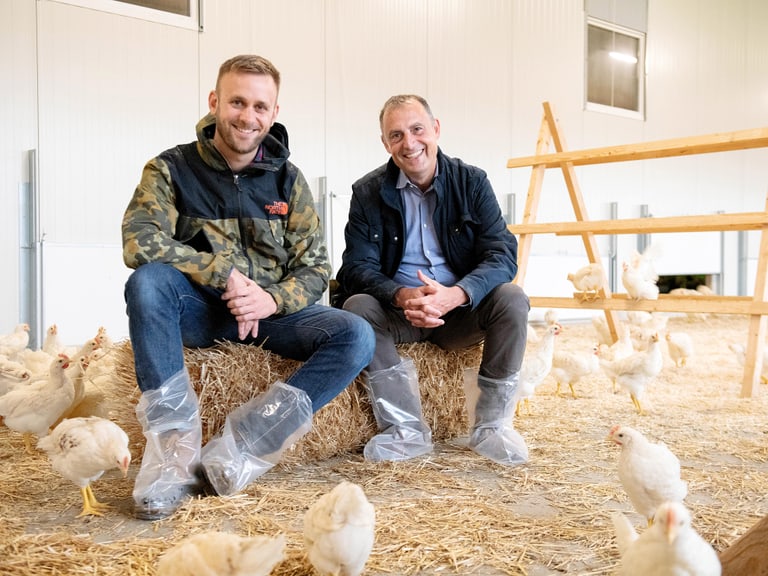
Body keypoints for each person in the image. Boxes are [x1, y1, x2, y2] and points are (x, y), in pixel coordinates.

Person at [121, 54, 375, 520]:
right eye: (237, 102)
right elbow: (140, 240)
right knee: (148, 282)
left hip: (272, 319)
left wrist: (271, 298)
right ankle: (173, 462)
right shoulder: (171, 168)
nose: (248, 116)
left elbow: (315, 268)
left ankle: (241, 448)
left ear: (274, 113)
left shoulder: (289, 181)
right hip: (200, 310)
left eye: (260, 106)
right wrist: (221, 274)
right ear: (216, 101)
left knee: (356, 334)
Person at [334, 94, 530, 466]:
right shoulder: (367, 192)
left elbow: (501, 254)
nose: (409, 143)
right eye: (396, 135)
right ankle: (406, 429)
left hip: (458, 313)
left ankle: (492, 427)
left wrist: (457, 294)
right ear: (385, 143)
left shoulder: (472, 182)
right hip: (400, 314)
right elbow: (355, 267)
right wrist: (401, 295)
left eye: (417, 129)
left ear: (436, 129)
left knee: (512, 298)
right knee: (356, 306)